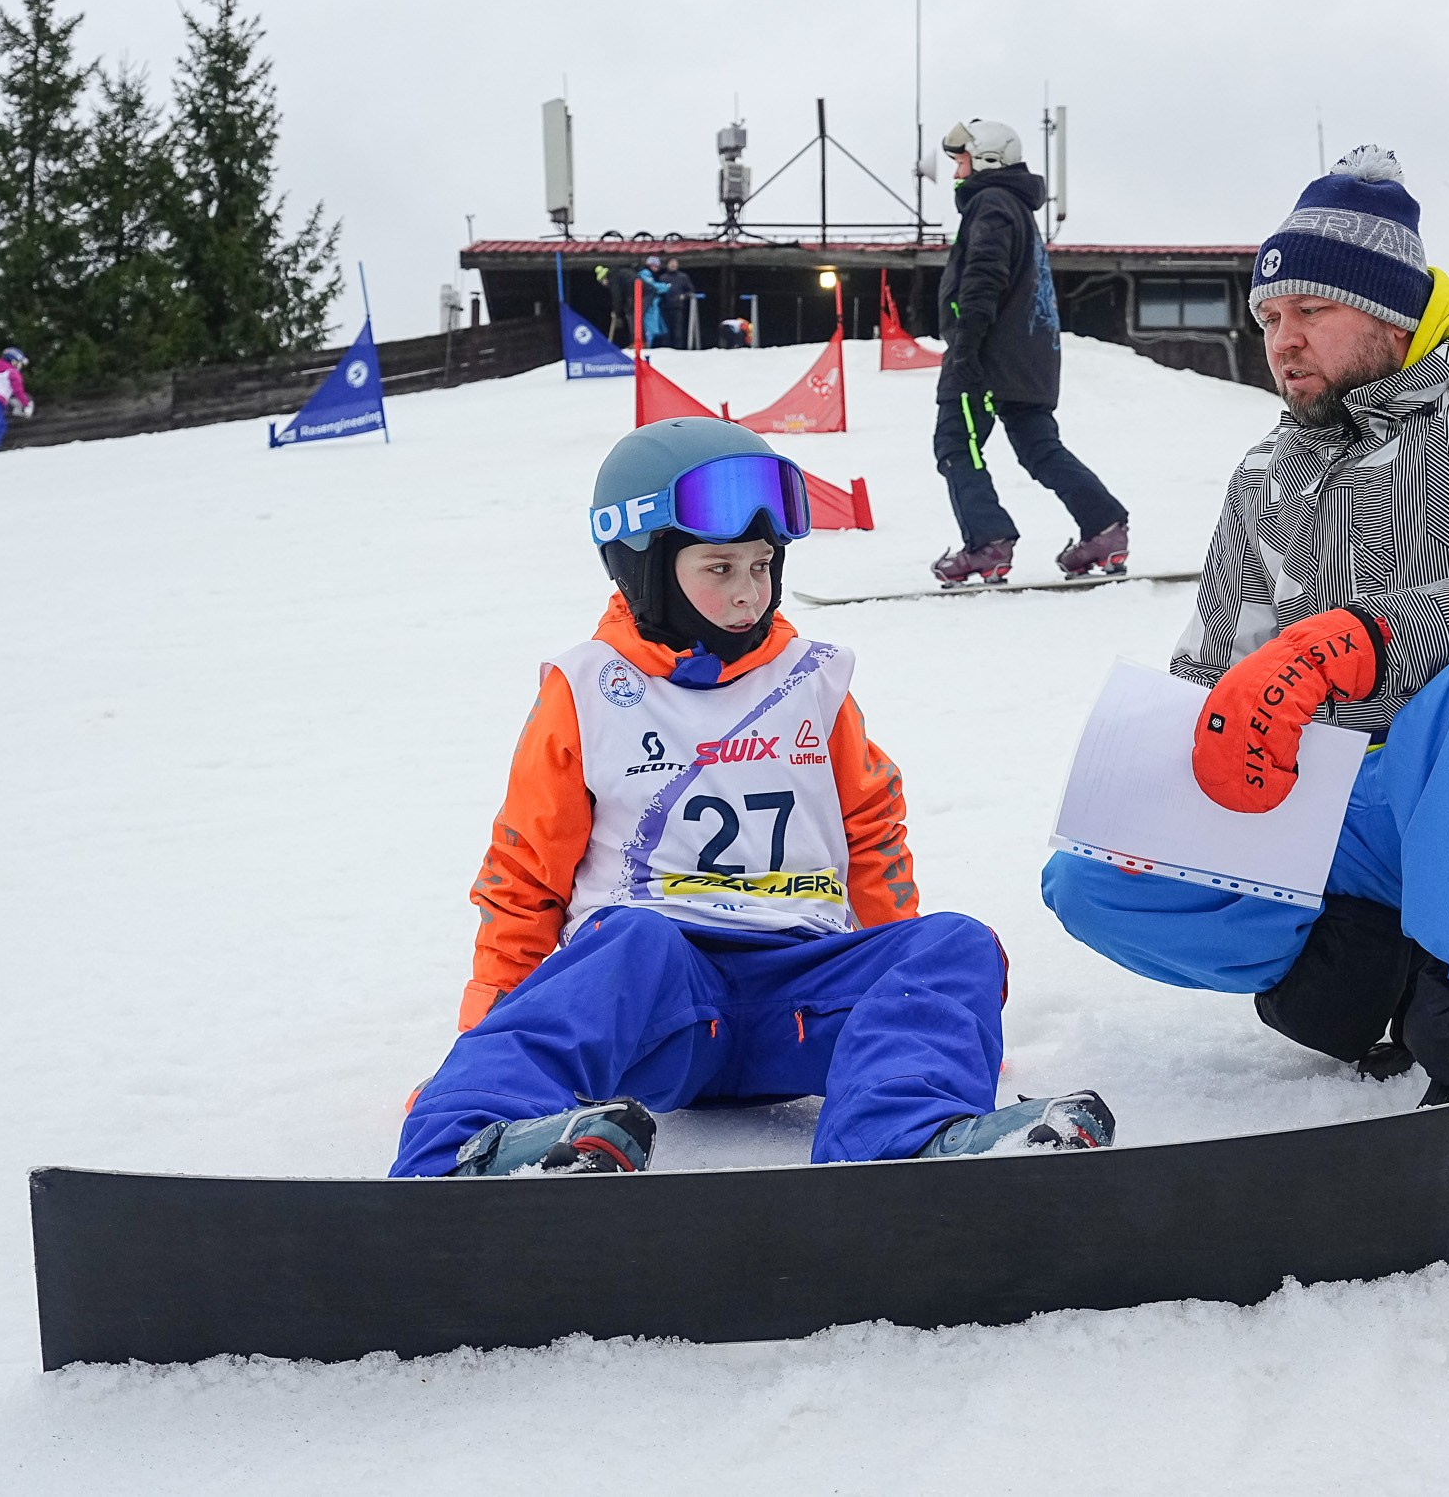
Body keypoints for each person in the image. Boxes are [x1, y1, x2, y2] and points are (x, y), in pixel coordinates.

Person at [1040, 146, 1449, 1125]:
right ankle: (1365, 974)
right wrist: (1191, 759)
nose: (1282, 341)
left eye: (1310, 311)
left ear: (1389, 311)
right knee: (1095, 879)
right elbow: (1212, 667)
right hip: (1361, 810)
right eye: (1268, 319)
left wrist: (1352, 641)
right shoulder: (1267, 473)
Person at [392, 417, 1114, 1177]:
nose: (748, 592)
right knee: (630, 940)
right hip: (655, 1008)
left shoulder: (811, 681)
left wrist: (920, 1023)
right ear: (644, 565)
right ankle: (466, 1147)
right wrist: (474, 1048)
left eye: (762, 565)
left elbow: (871, 832)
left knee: (954, 943)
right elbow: (524, 877)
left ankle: (901, 1141)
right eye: (720, 567)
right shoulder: (589, 690)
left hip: (801, 996)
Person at [928, 118, 1129, 586]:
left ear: (987, 159)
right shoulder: (1015, 207)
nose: (956, 171)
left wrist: (966, 346)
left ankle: (988, 543)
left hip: (985, 357)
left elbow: (983, 278)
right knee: (1039, 448)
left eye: (962, 160)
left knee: (956, 444)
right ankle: (1105, 528)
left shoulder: (990, 204)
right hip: (1028, 357)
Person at [634, 254, 673, 349]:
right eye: (655, 266)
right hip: (648, 305)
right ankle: (647, 346)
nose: (657, 268)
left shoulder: (650, 274)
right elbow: (653, 287)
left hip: (653, 305)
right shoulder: (645, 274)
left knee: (657, 328)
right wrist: (665, 286)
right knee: (650, 328)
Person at [660, 256, 698, 348]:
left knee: (678, 331)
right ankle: (665, 349)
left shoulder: (683, 277)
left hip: (678, 307)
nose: (673, 265)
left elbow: (691, 290)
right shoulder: (663, 277)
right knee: (665, 331)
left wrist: (684, 296)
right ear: (667, 265)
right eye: (671, 263)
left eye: (675, 263)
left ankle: (678, 349)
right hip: (665, 308)